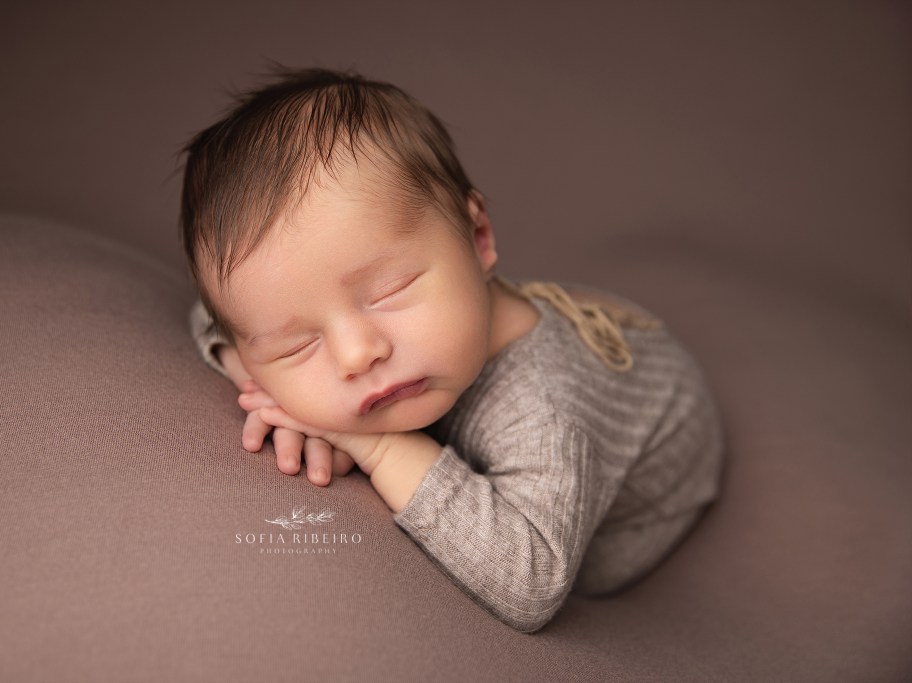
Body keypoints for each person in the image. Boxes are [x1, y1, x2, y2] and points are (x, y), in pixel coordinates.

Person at [180, 68, 725, 632]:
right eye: (298, 344)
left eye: (389, 291)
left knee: (588, 571)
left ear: (479, 237)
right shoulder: (381, 342)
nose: (355, 356)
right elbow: (219, 320)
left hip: (638, 508)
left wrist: (382, 449)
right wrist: (275, 391)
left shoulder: (544, 408)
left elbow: (532, 582)